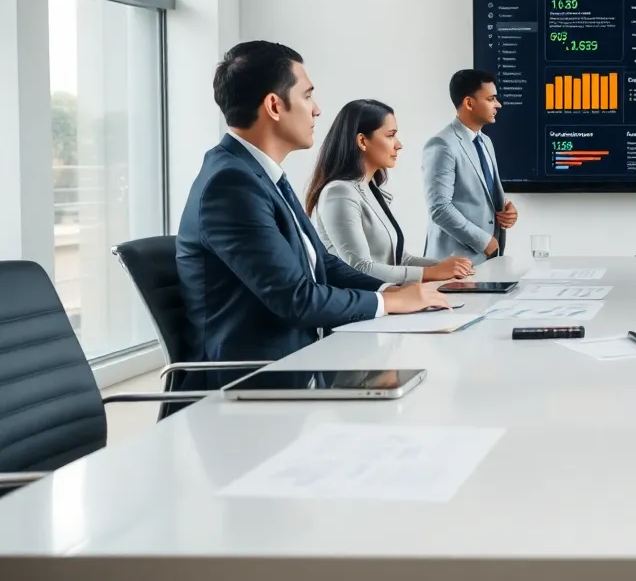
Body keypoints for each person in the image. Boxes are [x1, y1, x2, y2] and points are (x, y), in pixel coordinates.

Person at [176, 41, 450, 390]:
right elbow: (297, 298)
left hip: (301, 362)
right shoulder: (231, 185)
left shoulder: (259, 175)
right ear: (274, 105)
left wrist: (395, 289)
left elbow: (322, 263)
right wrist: (387, 302)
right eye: (307, 96)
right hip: (255, 384)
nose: (317, 110)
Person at [304, 99, 474, 285]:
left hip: (389, 300)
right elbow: (359, 268)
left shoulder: (370, 189)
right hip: (363, 307)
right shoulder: (339, 193)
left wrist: (446, 266)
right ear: (362, 141)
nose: (398, 145)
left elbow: (401, 260)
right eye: (390, 135)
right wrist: (432, 272)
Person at [424, 69, 518, 264]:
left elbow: (477, 193)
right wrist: (484, 242)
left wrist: (506, 210)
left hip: (486, 260)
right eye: (491, 99)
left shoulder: (485, 142)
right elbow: (439, 208)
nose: (498, 105)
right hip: (454, 263)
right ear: (469, 103)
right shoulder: (442, 144)